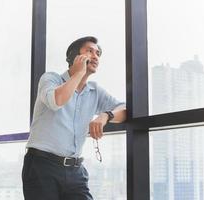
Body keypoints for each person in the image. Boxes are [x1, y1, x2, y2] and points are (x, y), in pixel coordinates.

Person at [22, 36, 127, 200]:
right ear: (74, 57)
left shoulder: (94, 91)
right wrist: (78, 73)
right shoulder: (51, 79)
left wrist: (105, 115)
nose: (95, 56)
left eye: (98, 53)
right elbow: (57, 101)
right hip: (42, 167)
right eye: (89, 51)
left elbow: (126, 109)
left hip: (75, 171)